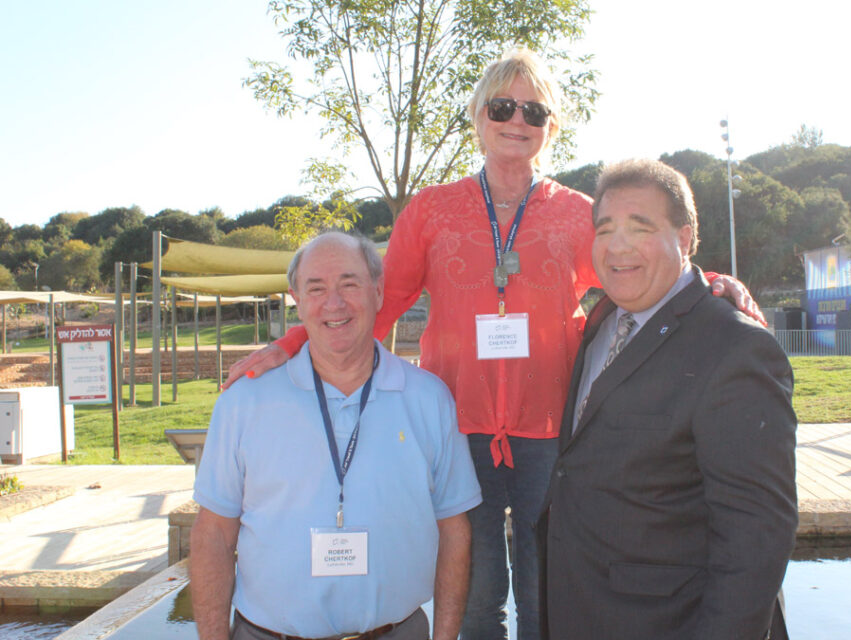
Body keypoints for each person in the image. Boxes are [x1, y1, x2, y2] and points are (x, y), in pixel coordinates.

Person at [222, 50, 762, 640]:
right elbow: (379, 303)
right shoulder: (431, 210)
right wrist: (295, 341)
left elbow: (635, 270)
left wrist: (708, 281)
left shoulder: (579, 215)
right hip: (458, 427)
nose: (517, 120)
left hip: (553, 431)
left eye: (534, 110)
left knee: (545, 593)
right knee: (474, 595)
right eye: (502, 106)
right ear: (478, 117)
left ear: (550, 127)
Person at [541, 159, 798, 639]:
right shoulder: (602, 324)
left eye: (640, 228)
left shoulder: (737, 349)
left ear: (684, 239)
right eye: (605, 229)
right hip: (589, 609)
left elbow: (756, 538)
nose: (617, 246)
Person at [190, 231, 482, 640]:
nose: (334, 303)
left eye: (349, 283)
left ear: (378, 292)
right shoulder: (245, 402)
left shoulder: (428, 399)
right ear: (296, 298)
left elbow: (455, 530)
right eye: (317, 288)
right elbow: (214, 534)